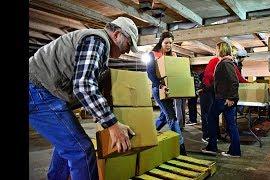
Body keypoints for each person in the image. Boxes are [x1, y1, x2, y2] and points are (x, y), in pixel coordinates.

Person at [29, 17, 138, 179]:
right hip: (37, 91)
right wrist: (113, 125)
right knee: (81, 151)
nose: (128, 51)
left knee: (68, 145)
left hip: (44, 92)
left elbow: (87, 86)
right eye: (129, 44)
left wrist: (102, 114)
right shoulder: (97, 40)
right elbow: (84, 86)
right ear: (116, 35)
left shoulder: (97, 47)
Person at [146, 31, 187, 155]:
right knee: (171, 116)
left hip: (169, 89)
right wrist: (160, 85)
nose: (168, 45)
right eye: (166, 42)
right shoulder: (152, 54)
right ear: (161, 42)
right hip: (158, 89)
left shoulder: (172, 55)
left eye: (170, 43)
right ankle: (181, 147)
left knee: (164, 116)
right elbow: (150, 73)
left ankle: (149, 136)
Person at [200, 46, 249, 144]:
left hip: (221, 94)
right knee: (209, 115)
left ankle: (214, 140)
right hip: (209, 91)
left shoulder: (226, 63)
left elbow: (236, 79)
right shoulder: (216, 61)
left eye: (217, 49)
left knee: (215, 117)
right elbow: (207, 76)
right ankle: (208, 136)